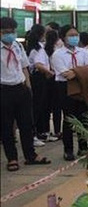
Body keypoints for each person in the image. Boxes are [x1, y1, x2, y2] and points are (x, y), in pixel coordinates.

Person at [1, 17, 51, 171]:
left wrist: (28, 87)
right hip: (4, 89)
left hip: (21, 88)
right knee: (7, 126)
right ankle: (12, 158)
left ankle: (31, 155)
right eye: (6, 32)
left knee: (26, 124)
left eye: (13, 31)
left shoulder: (17, 46)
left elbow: (24, 67)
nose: (10, 35)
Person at [51, 25, 88, 161]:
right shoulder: (58, 54)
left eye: (76, 34)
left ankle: (83, 146)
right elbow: (65, 74)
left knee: (83, 117)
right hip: (65, 87)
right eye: (71, 35)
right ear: (63, 37)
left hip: (82, 86)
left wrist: (75, 72)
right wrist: (81, 72)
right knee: (69, 119)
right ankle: (68, 149)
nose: (75, 37)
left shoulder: (84, 52)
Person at [25, 24, 54, 145]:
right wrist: (49, 72)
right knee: (37, 107)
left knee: (41, 106)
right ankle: (34, 134)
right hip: (38, 78)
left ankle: (40, 132)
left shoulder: (34, 47)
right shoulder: (37, 49)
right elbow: (38, 65)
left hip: (39, 78)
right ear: (41, 34)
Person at [44, 29, 63, 142]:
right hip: (56, 79)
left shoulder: (44, 50)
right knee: (57, 107)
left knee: (46, 107)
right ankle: (57, 130)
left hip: (47, 79)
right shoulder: (57, 51)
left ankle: (46, 130)